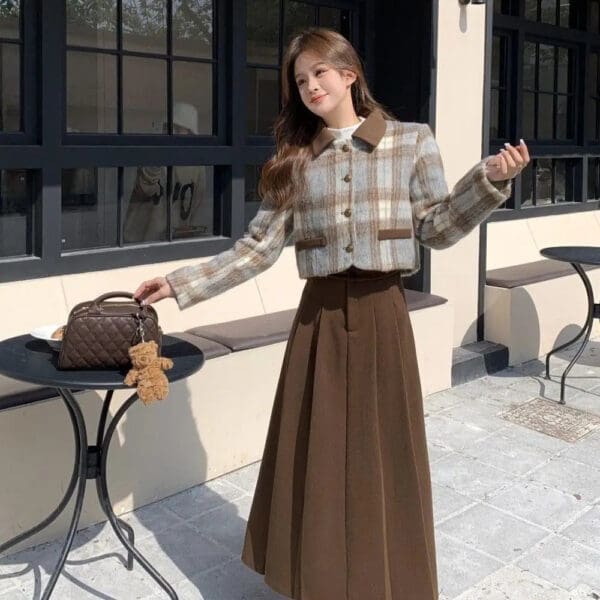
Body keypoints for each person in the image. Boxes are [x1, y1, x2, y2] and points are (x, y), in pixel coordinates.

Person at [134, 27, 529, 600]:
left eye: (320, 72)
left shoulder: (410, 141)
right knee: (316, 455)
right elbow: (255, 250)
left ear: (349, 73)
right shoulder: (296, 162)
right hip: (318, 320)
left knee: (381, 455)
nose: (311, 85)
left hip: (382, 314)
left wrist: (489, 181)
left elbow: (437, 228)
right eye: (300, 79)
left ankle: (384, 581)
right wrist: (177, 283)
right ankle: (314, 579)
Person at [123, 102, 212, 243]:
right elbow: (144, 189)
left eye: (178, 129)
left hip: (174, 242)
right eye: (168, 127)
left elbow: (197, 204)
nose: (172, 133)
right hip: (140, 241)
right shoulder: (152, 155)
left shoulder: (197, 165)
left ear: (190, 133)